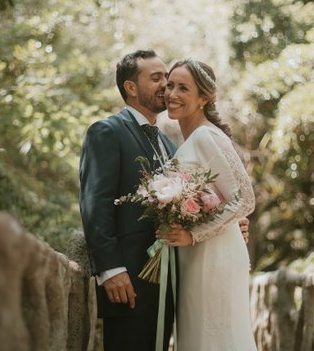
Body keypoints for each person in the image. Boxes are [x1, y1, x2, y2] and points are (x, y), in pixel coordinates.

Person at [80, 50, 251, 351]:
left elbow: (211, 196)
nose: (166, 88)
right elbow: (96, 203)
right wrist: (111, 269)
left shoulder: (170, 143)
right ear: (131, 88)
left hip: (172, 279)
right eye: (158, 79)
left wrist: (229, 224)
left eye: (172, 82)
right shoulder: (106, 131)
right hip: (129, 279)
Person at [160, 59, 257, 351]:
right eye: (170, 85)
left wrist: (194, 234)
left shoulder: (205, 135)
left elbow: (244, 198)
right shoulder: (186, 139)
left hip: (213, 256)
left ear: (203, 98)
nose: (172, 94)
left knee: (215, 337)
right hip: (194, 256)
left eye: (183, 88)